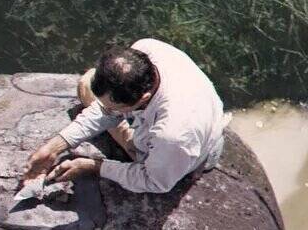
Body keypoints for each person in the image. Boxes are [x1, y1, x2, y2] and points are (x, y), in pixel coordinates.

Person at [23, 38, 226, 194]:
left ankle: (133, 146)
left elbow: (156, 182)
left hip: (186, 153)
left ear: (144, 97)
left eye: (116, 108)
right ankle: (127, 133)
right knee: (86, 83)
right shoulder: (146, 48)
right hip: (160, 119)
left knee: (146, 153)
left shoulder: (173, 133)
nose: (106, 110)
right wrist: (54, 147)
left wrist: (93, 166)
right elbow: (104, 109)